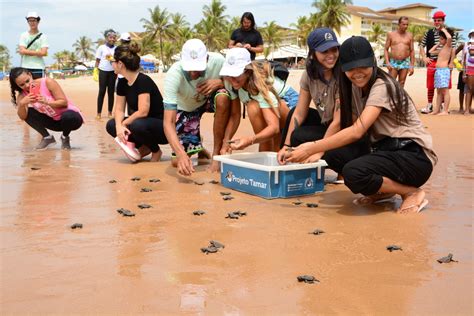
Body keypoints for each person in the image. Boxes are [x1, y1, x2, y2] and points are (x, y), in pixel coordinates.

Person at [284, 36, 437, 214]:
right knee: (333, 153)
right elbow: (347, 123)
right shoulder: (354, 87)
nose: (357, 73)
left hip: (414, 156)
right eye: (350, 68)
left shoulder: (382, 86)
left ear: (373, 63)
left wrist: (311, 148)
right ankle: (382, 191)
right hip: (384, 151)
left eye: (363, 67)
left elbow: (357, 131)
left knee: (353, 173)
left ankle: (410, 191)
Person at [278, 28, 347, 167]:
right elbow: (299, 112)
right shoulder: (309, 75)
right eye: (325, 51)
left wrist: (319, 150)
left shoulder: (343, 75)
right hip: (325, 123)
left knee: (303, 138)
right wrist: (286, 145)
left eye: (334, 49)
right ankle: (288, 160)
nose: (331, 55)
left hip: (344, 129)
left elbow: (338, 122)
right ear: (313, 53)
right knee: (294, 124)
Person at [163, 39, 230, 176]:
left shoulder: (218, 61)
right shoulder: (173, 74)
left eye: (198, 68)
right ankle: (199, 148)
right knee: (177, 162)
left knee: (223, 97)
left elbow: (236, 81)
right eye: (190, 68)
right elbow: (168, 122)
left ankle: (216, 154)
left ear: (206, 59)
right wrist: (181, 154)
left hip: (208, 100)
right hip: (187, 108)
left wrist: (220, 82)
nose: (193, 73)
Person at [218, 47, 297, 155]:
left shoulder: (260, 86)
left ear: (247, 72)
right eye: (228, 75)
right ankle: (266, 152)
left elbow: (274, 128)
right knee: (255, 110)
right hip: (270, 107)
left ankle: (275, 149)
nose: (232, 79)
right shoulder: (230, 83)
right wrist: (225, 144)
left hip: (289, 103)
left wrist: (250, 140)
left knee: (254, 108)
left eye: (236, 75)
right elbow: (235, 115)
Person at [105, 43, 167, 162]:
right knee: (111, 125)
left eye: (113, 62)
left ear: (120, 64)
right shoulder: (123, 83)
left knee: (137, 124)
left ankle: (155, 151)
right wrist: (119, 126)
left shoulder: (143, 80)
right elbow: (119, 109)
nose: (112, 65)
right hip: (140, 124)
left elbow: (143, 111)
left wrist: (124, 124)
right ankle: (144, 148)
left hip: (160, 127)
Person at [9, 67, 84, 150]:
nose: (27, 85)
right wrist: (22, 104)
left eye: (27, 81)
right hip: (53, 122)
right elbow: (23, 117)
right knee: (28, 113)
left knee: (68, 116)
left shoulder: (47, 82)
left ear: (30, 75)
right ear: (17, 85)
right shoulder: (22, 95)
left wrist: (47, 102)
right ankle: (47, 138)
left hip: (71, 120)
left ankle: (65, 137)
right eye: (22, 85)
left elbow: (64, 103)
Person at [419, 11, 459, 114]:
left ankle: (443, 107)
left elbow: (453, 49)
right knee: (431, 85)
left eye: (439, 20)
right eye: (435, 20)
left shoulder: (449, 33)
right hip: (432, 62)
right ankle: (430, 105)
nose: (437, 22)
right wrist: (424, 57)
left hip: (445, 63)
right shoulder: (429, 32)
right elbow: (421, 46)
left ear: (443, 21)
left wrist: (451, 62)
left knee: (444, 86)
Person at [384, 16, 415, 87]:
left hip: (405, 61)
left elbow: (412, 51)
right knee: (391, 82)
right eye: (404, 24)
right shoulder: (391, 34)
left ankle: (399, 98)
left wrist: (412, 65)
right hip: (394, 62)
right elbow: (386, 49)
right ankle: (391, 98)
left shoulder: (410, 35)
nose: (406, 26)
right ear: (399, 24)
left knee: (402, 82)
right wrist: (387, 62)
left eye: (407, 24)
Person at [429, 27, 453, 115]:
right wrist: (439, 43)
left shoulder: (448, 46)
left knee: (445, 91)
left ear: (446, 40)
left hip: (444, 71)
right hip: (438, 71)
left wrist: (444, 30)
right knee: (438, 91)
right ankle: (437, 110)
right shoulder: (441, 48)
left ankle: (445, 110)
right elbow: (430, 51)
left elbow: (449, 38)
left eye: (442, 38)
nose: (440, 40)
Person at [95, 29, 117, 119]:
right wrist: (95, 70)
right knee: (102, 92)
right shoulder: (101, 47)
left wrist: (112, 59)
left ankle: (110, 113)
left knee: (111, 93)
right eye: (110, 37)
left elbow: (117, 59)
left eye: (114, 37)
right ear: (107, 38)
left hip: (112, 72)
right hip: (103, 71)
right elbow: (97, 60)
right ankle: (98, 113)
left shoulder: (116, 49)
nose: (112, 39)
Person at [18, 12, 49, 79]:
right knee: (26, 88)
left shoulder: (43, 36)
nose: (32, 23)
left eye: (34, 20)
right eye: (30, 21)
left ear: (38, 21)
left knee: (38, 88)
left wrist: (27, 51)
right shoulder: (23, 35)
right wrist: (38, 52)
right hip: (25, 67)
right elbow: (22, 50)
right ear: (28, 22)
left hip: (39, 67)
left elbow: (44, 52)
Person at [462, 38, 474, 115]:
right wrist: (464, 74)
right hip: (469, 71)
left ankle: (468, 109)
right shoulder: (467, 52)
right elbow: (464, 64)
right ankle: (466, 109)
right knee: (469, 90)